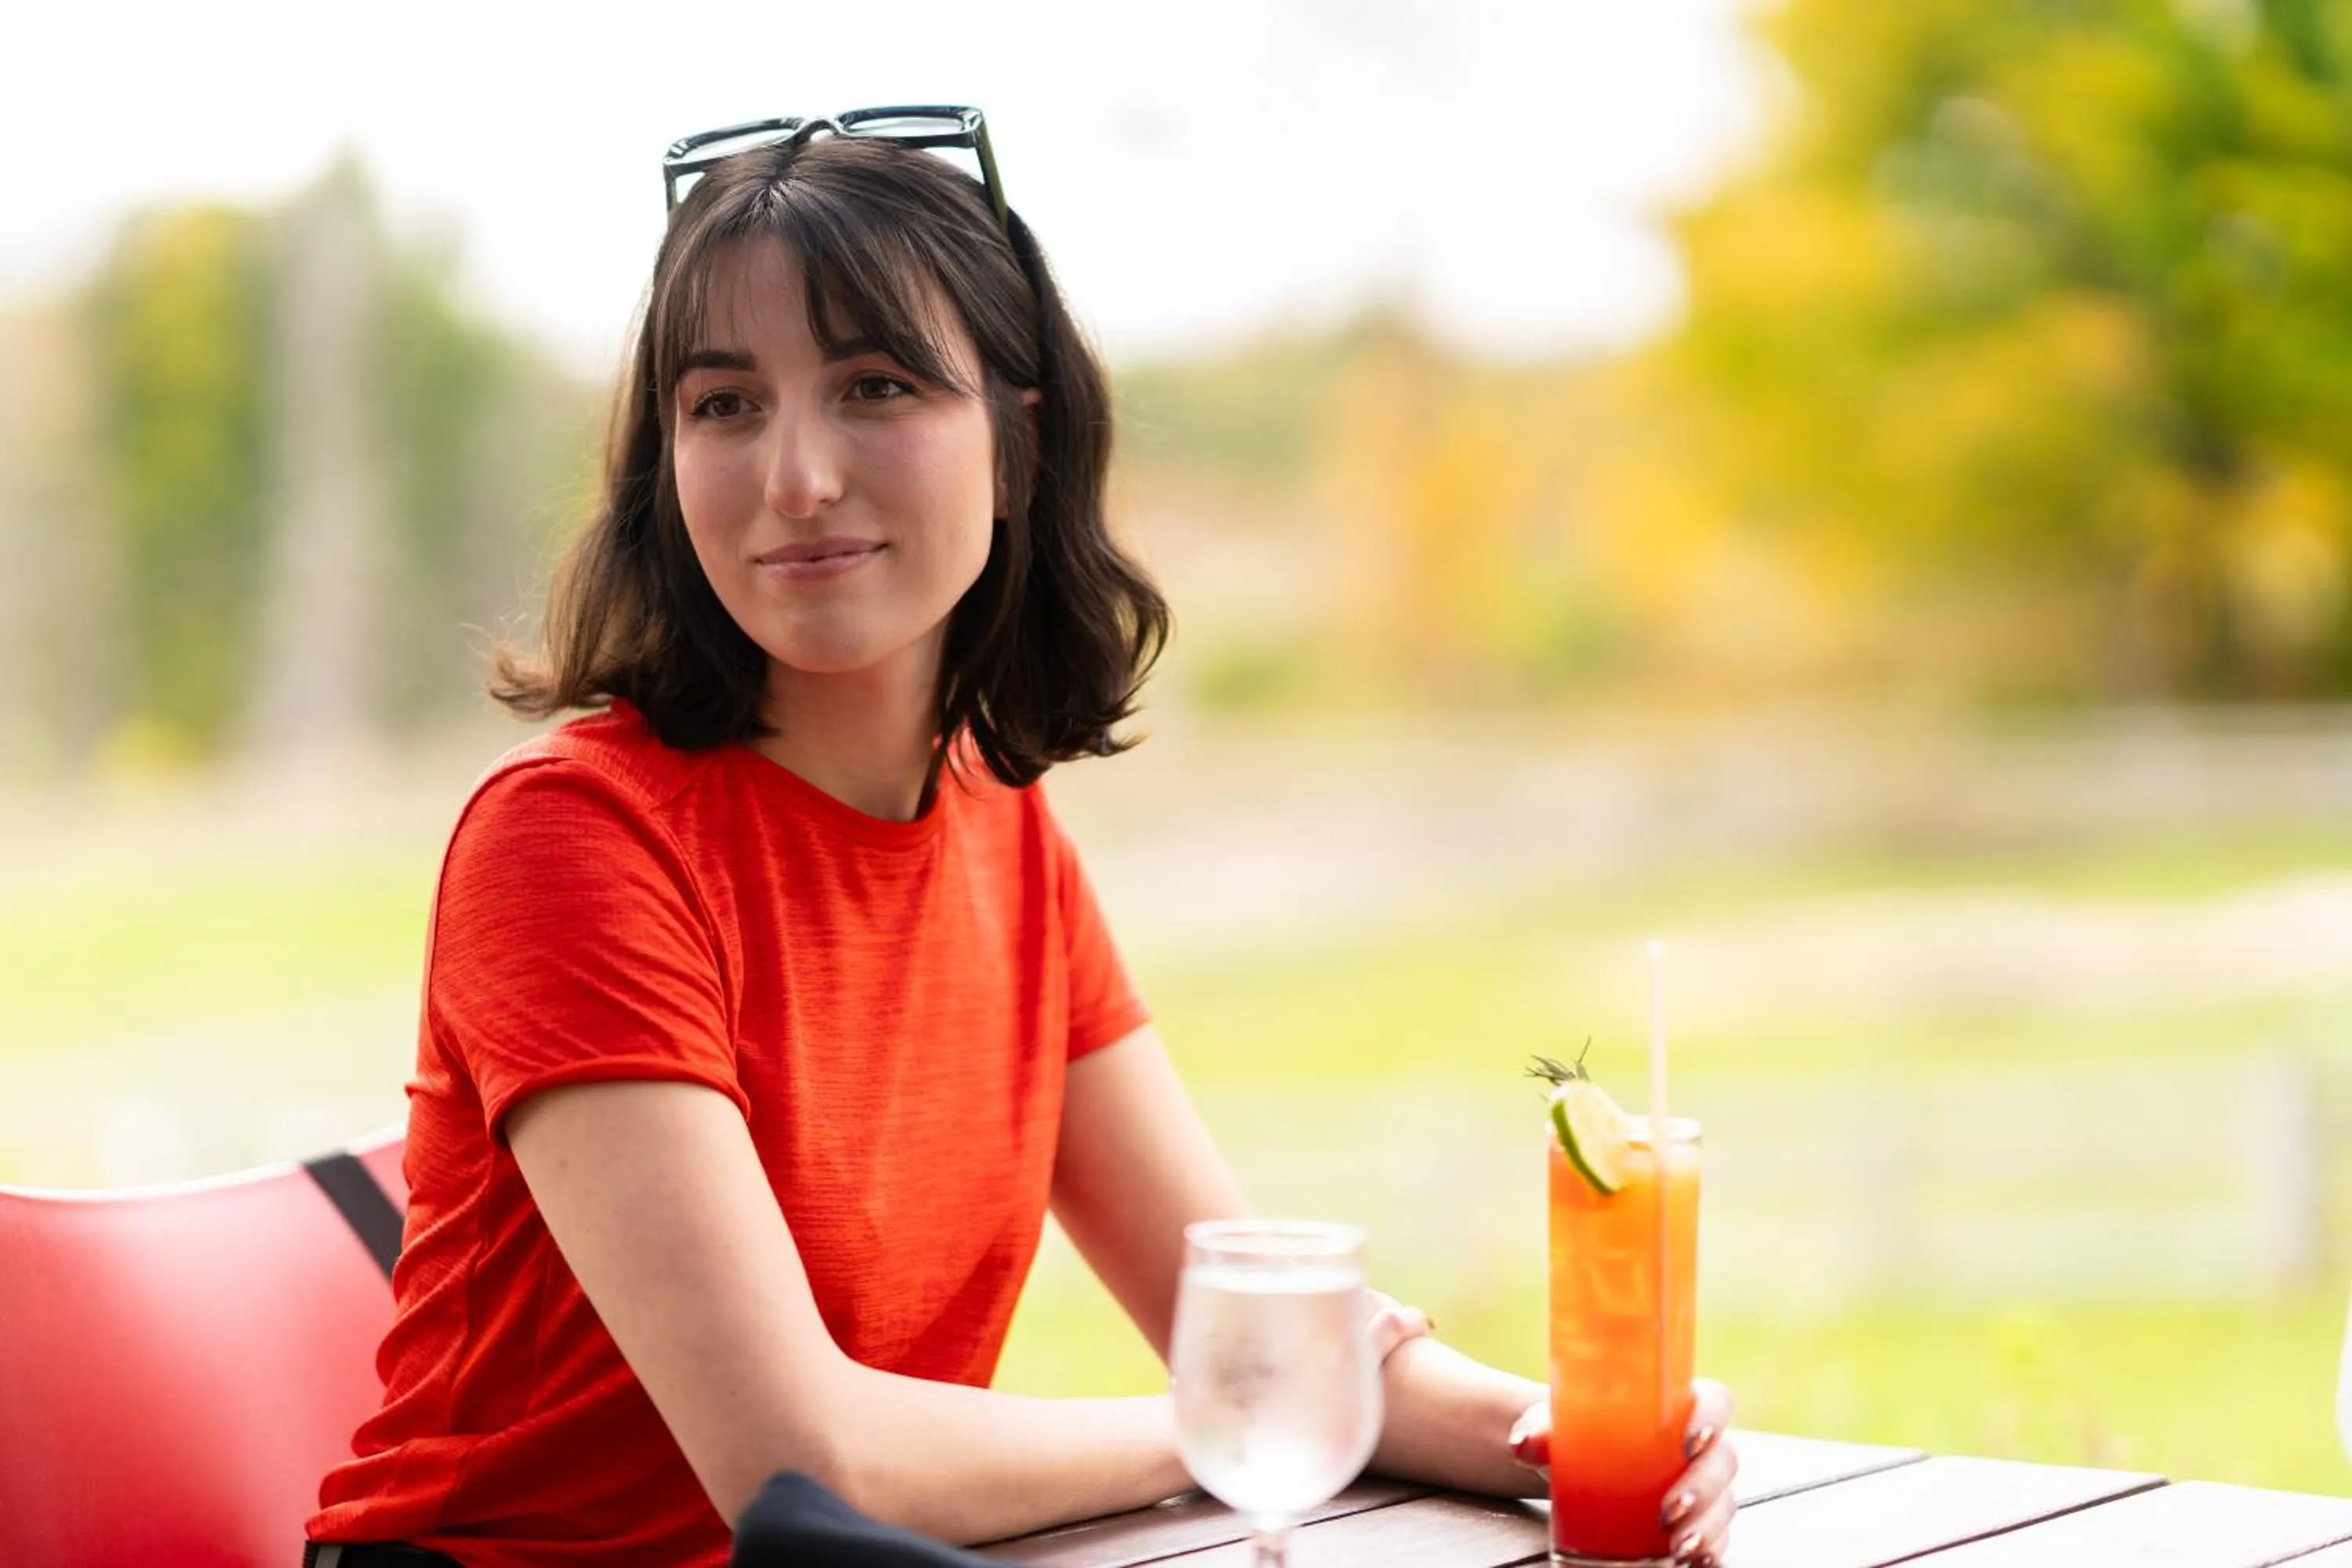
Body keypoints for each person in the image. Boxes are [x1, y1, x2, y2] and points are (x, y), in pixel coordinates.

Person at [303, 107, 1739, 1568]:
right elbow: (806, 1465)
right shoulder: (572, 842)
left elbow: (1239, 1310)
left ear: (1016, 435)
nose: (795, 476)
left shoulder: (1003, 830)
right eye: (723, 404)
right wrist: (1241, 1418)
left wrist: (1589, 1433)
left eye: (873, 386)